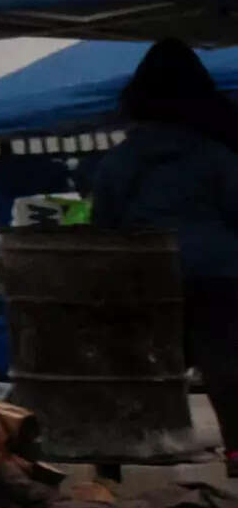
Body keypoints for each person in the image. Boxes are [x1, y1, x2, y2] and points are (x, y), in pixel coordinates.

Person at [85, 41, 238, 455]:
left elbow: (103, 226)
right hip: (217, 273)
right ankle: (237, 452)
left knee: (145, 369)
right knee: (227, 370)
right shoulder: (215, 153)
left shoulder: (120, 160)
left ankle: (148, 450)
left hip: (147, 277)